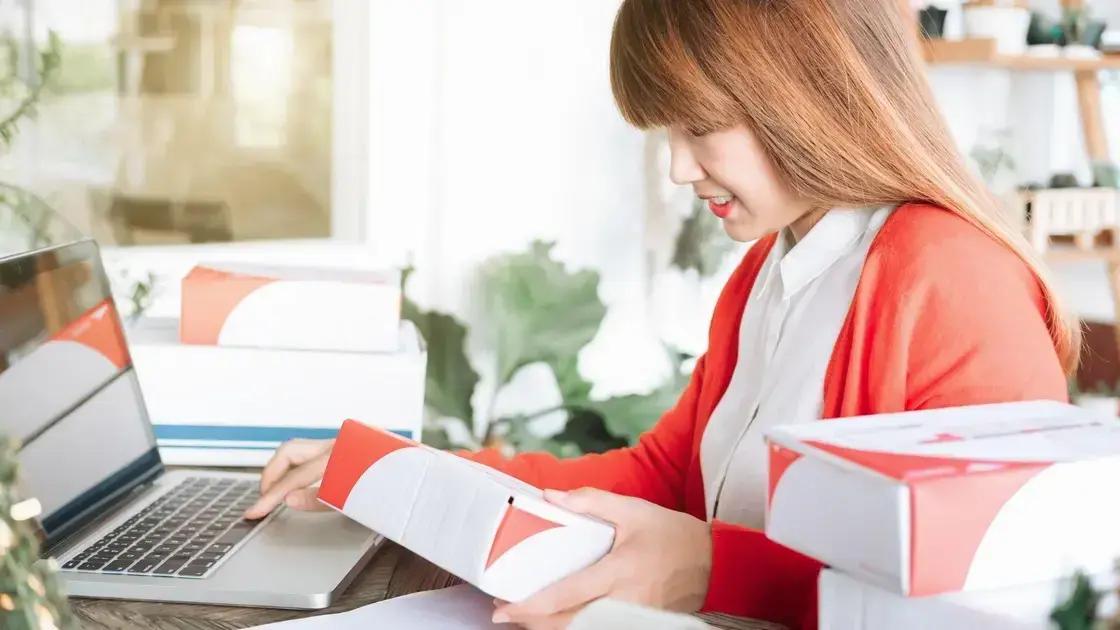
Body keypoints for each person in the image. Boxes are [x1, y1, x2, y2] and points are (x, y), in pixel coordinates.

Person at [244, 0, 1078, 628]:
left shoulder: (954, 276)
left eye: (700, 126)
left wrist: (712, 566)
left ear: (812, 95)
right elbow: (664, 480)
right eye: (665, 132)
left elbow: (983, 597)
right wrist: (415, 476)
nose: (678, 167)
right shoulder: (770, 268)